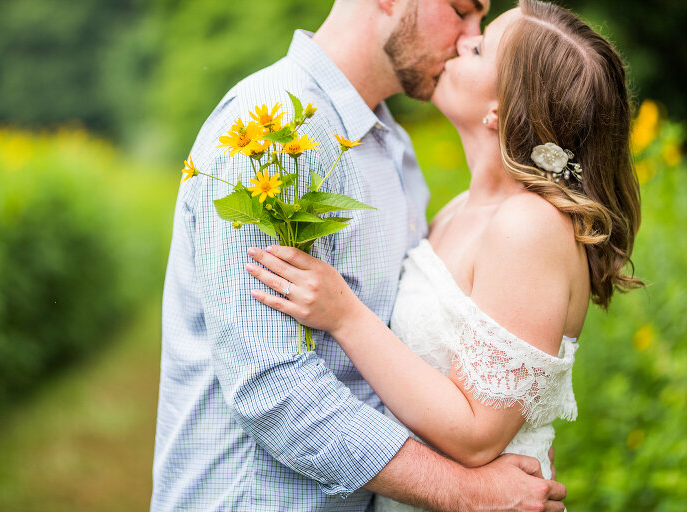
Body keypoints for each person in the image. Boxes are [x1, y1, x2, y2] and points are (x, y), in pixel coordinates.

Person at [151, 0, 569, 510]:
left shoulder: (390, 144)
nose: (468, 36)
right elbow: (271, 385)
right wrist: (465, 490)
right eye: (462, 10)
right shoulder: (271, 136)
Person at [244, 1, 642, 511]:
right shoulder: (460, 209)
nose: (459, 42)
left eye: (477, 50)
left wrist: (343, 315)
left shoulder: (529, 226)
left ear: (499, 108)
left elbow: (478, 435)